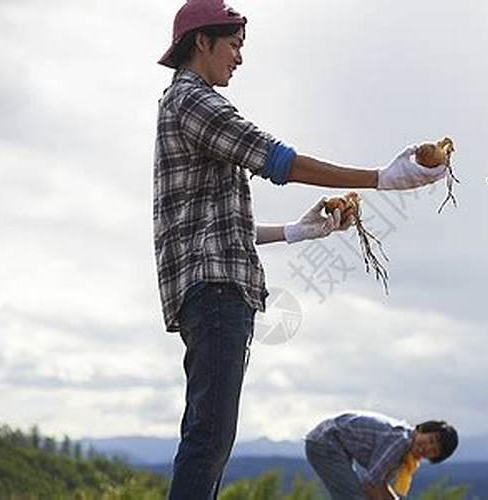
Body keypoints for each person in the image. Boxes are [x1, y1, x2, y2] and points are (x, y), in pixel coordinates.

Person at [154, 1, 448, 498]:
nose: (239, 59)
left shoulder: (183, 106)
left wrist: (296, 231)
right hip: (220, 296)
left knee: (211, 438)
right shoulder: (193, 100)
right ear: (201, 42)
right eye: (234, 45)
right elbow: (276, 159)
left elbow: (215, 233)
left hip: (214, 289)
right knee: (209, 439)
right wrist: (383, 178)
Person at [304, 411, 459, 499]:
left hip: (334, 445)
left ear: (432, 458)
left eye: (433, 451)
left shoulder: (405, 455)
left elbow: (377, 483)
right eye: (430, 440)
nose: (426, 447)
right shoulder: (400, 442)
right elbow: (371, 484)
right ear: (424, 429)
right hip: (325, 443)